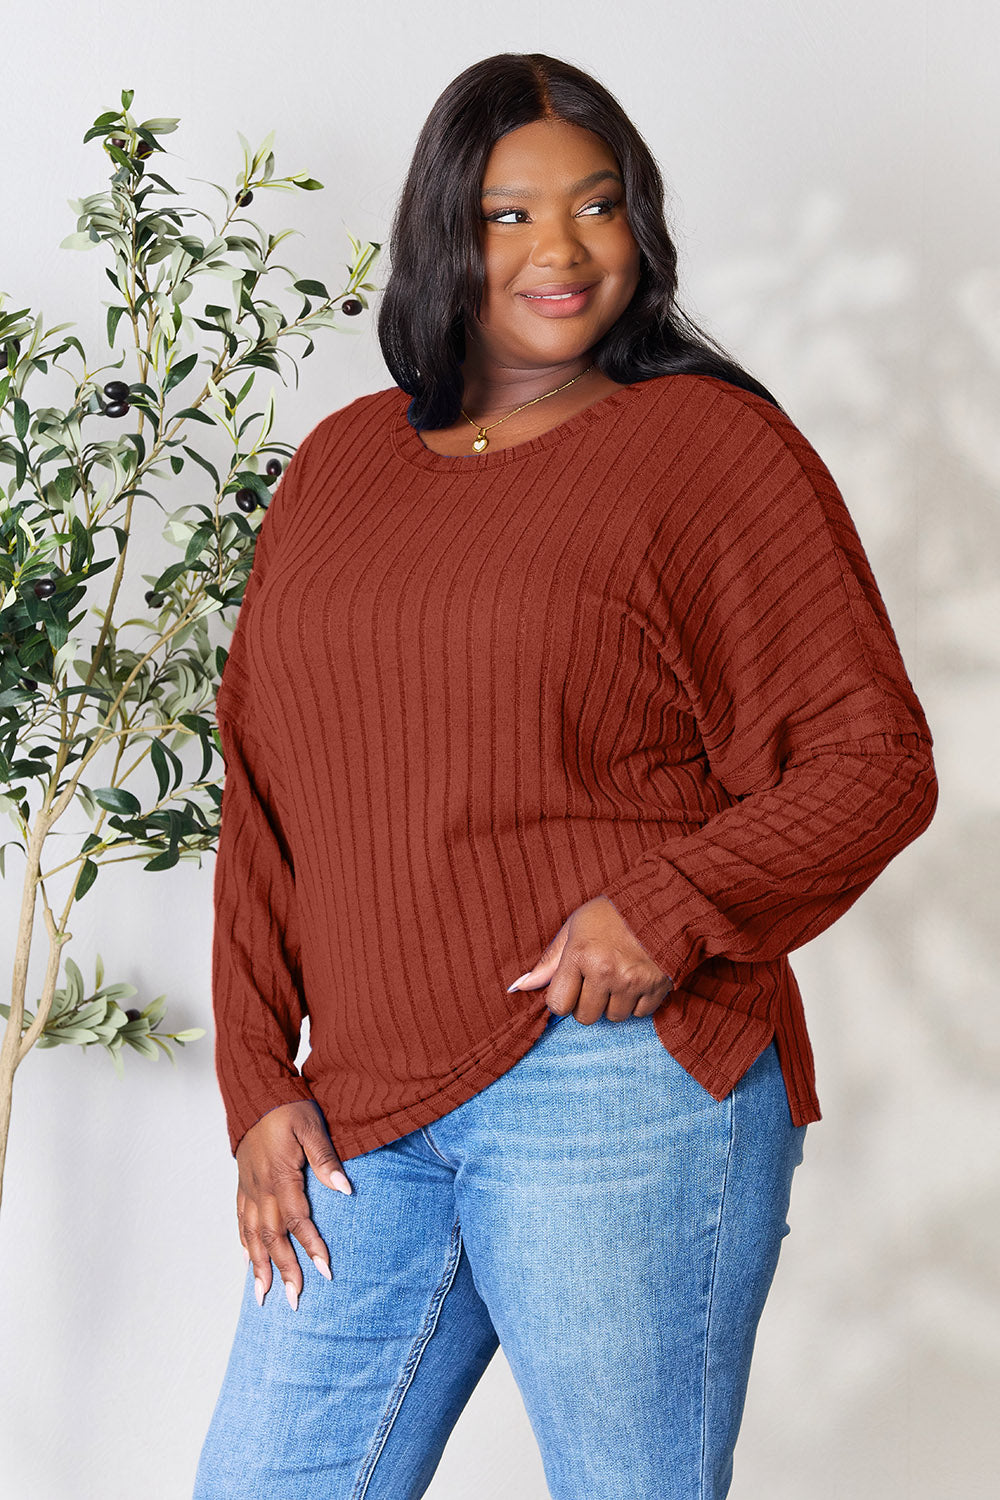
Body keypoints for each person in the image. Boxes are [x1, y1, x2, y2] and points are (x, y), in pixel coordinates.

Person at [192, 52, 937, 1500]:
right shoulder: (339, 465)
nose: (562, 250)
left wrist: (670, 905)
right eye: (508, 214)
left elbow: (874, 760)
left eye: (598, 207)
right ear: (442, 233)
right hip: (361, 1113)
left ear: (639, 230)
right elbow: (266, 791)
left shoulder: (708, 449)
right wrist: (249, 1081)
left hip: (617, 1089)